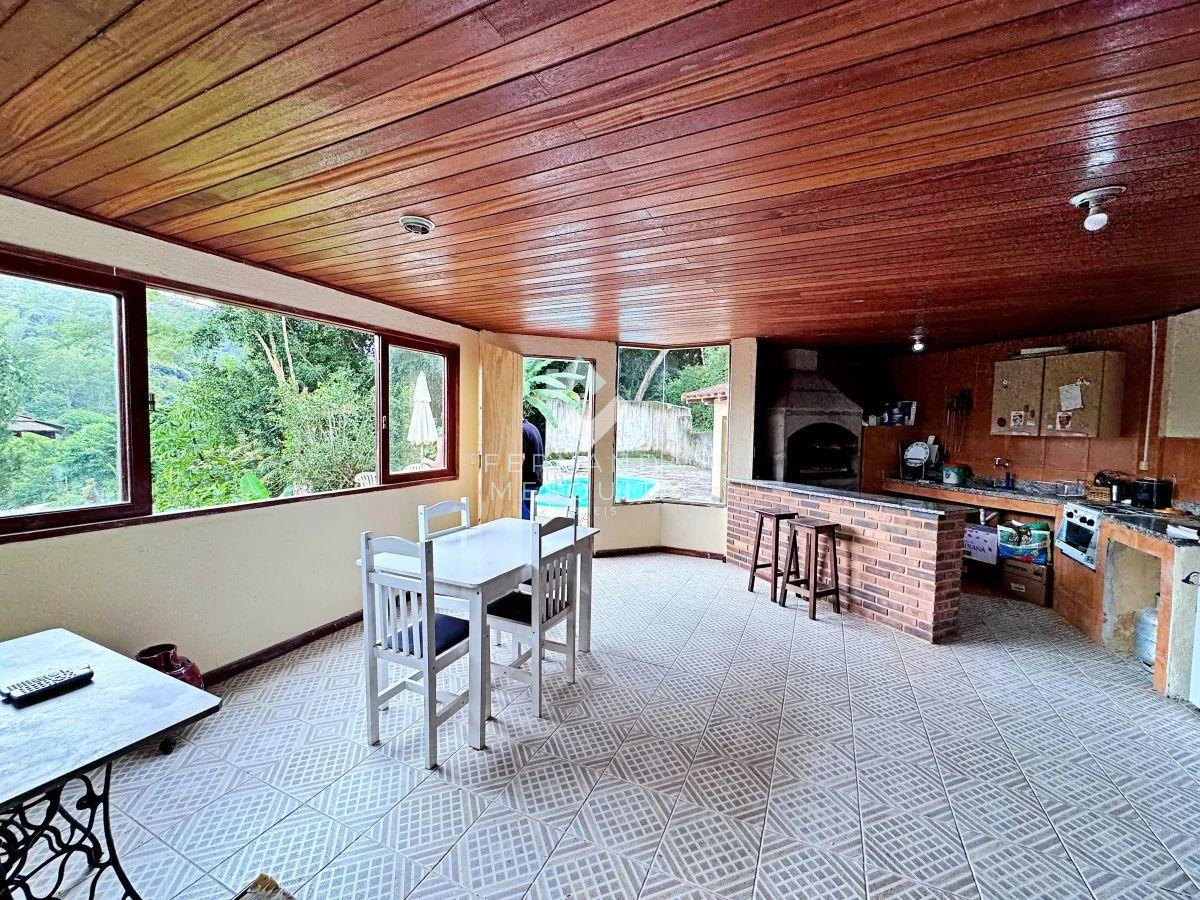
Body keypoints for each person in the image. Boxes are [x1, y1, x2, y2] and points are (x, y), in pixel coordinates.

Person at [521, 418, 544, 519]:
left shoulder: (521, 430)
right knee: (531, 516)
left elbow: (521, 457)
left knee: (524, 519)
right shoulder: (532, 428)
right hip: (535, 479)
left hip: (526, 481)